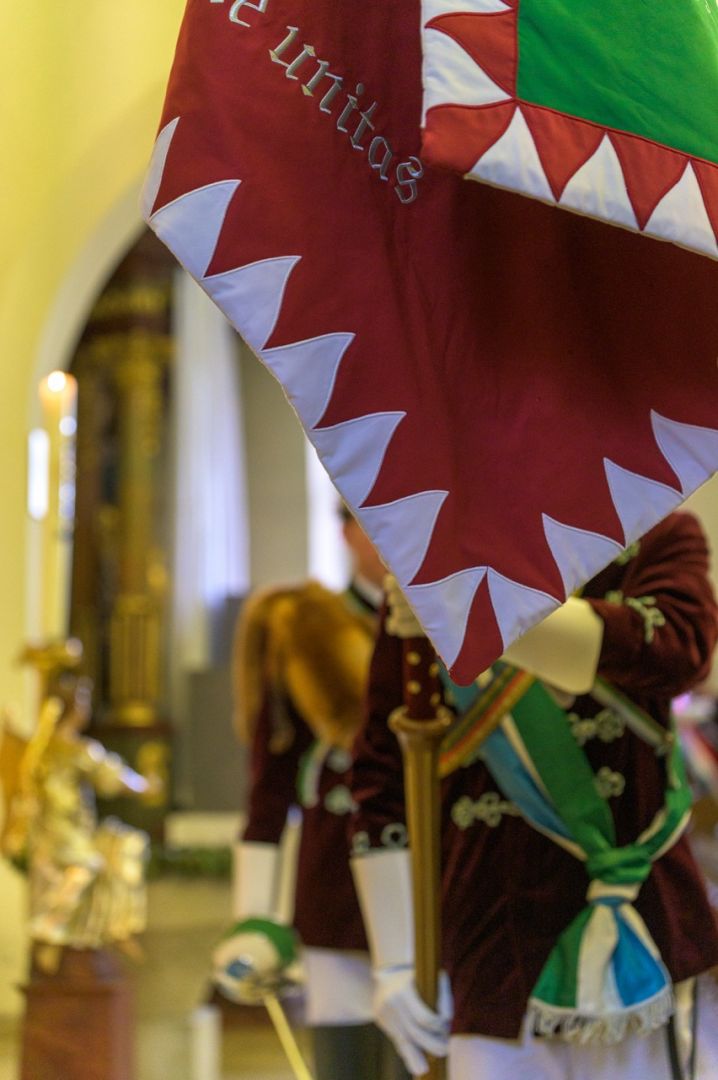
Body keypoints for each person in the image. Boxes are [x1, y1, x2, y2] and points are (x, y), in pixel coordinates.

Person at [350, 510, 718, 1079]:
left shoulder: (656, 532)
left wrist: (474, 615)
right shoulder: (433, 564)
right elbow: (382, 776)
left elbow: (677, 648)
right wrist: (397, 959)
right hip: (492, 930)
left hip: (648, 918)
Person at [213, 505, 408, 1080]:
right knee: (346, 1062)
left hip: (435, 878)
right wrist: (253, 917)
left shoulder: (449, 629)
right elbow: (270, 788)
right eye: (378, 525)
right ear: (347, 532)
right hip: (337, 880)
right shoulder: (304, 628)